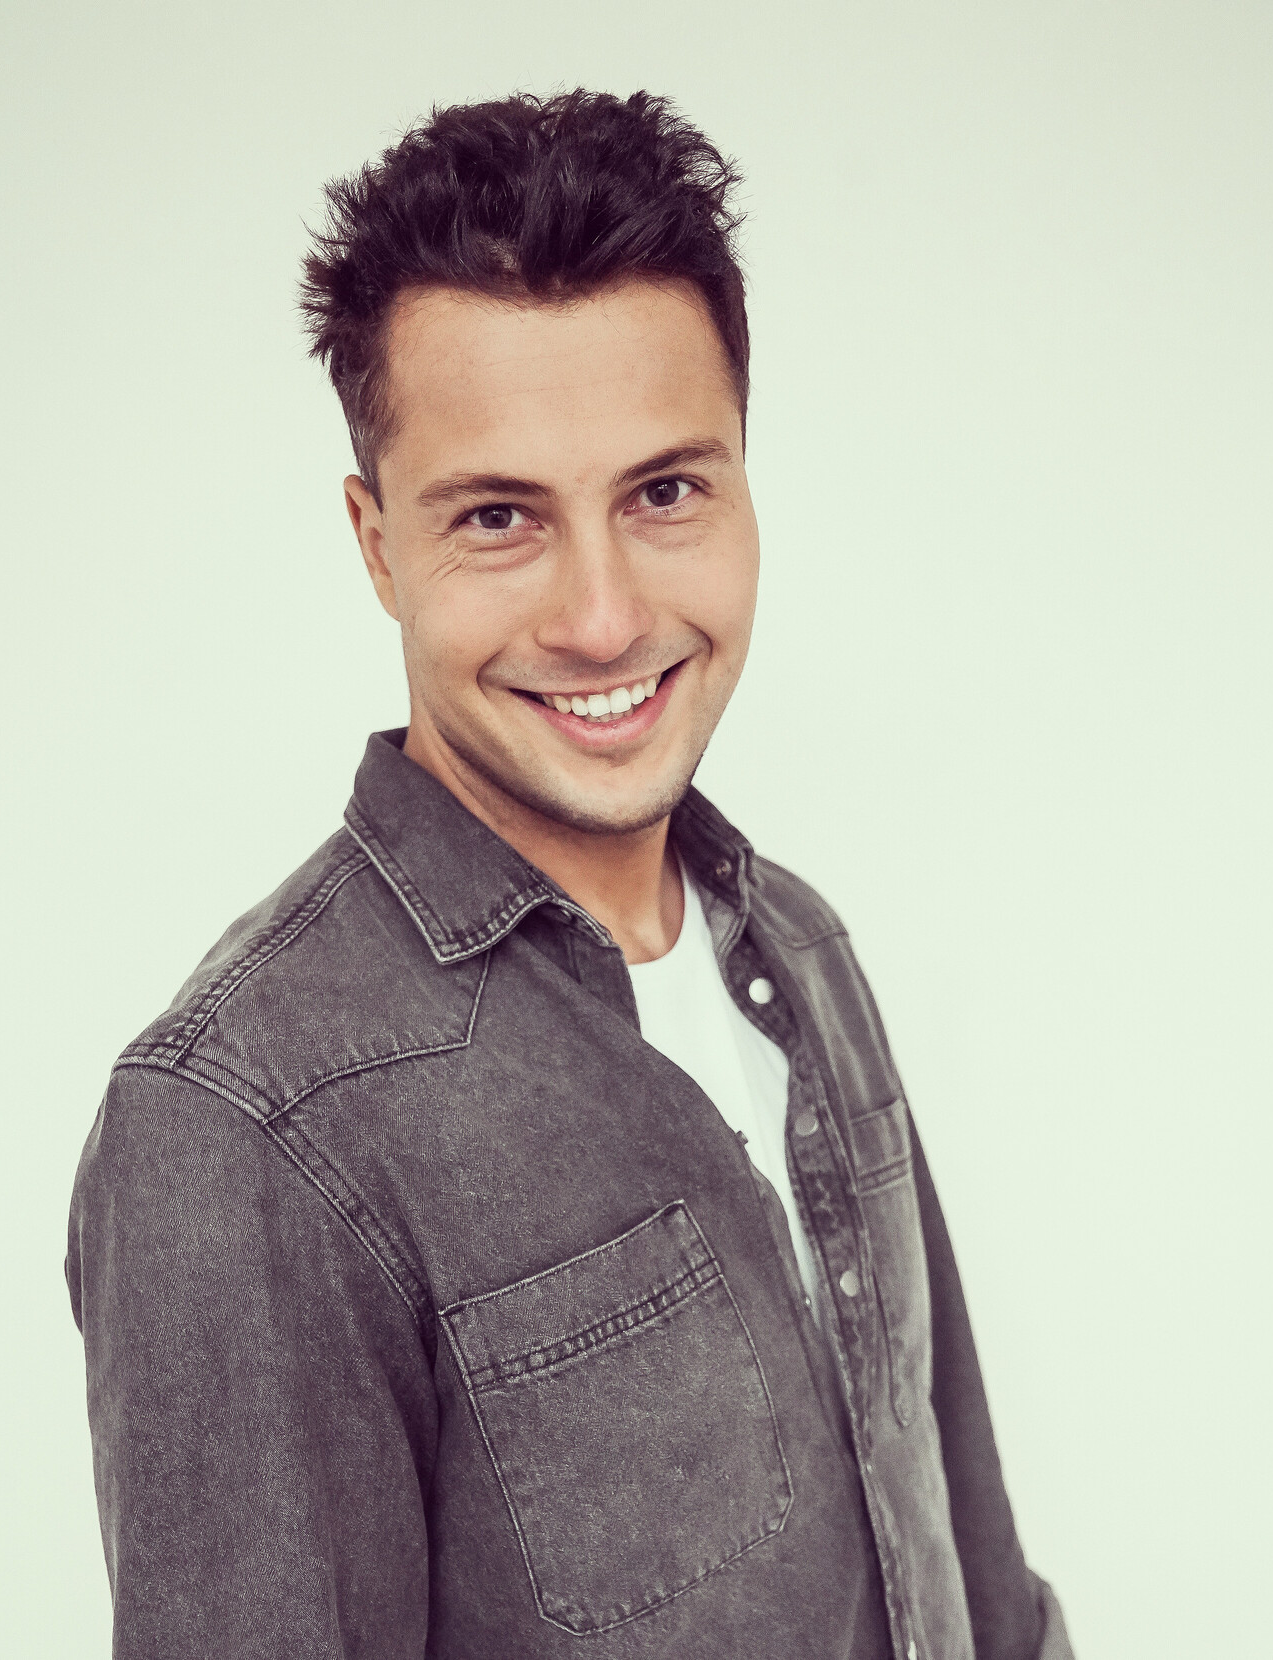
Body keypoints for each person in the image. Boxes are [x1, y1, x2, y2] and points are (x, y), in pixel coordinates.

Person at [67, 89, 1074, 1660]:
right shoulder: (245, 1123)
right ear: (377, 544)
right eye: (498, 517)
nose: (603, 619)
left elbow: (981, 1584)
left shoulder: (798, 948)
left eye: (665, 492)